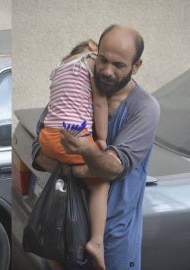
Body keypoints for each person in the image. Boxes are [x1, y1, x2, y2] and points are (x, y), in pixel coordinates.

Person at [32, 24, 160, 270]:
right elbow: (38, 152)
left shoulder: (144, 108)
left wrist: (83, 151)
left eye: (119, 65)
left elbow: (112, 168)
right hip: (62, 230)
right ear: (95, 51)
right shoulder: (77, 88)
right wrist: (80, 166)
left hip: (112, 244)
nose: (107, 71)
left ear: (137, 66)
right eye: (103, 60)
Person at [39, 39, 108, 270]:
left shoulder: (61, 67)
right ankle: (96, 242)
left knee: (64, 182)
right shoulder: (92, 62)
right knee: (100, 182)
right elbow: (99, 103)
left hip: (47, 136)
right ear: (92, 46)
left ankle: (51, 252)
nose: (106, 64)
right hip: (72, 137)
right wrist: (101, 141)